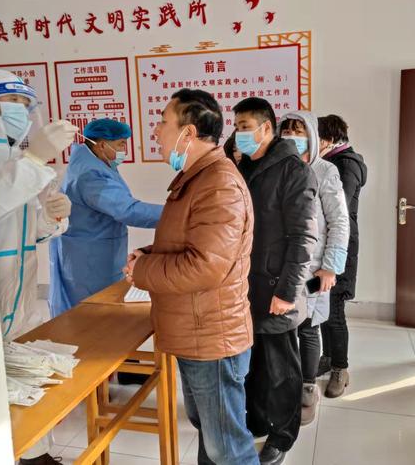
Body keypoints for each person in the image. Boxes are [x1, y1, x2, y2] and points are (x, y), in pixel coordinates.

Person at [123, 89, 258, 465]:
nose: (155, 131)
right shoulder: (197, 177)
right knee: (212, 436)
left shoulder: (218, 183)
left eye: (163, 121)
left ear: (189, 132)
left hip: (211, 336)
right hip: (197, 330)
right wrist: (148, 255)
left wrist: (143, 270)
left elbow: (205, 266)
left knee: (227, 447)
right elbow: (188, 242)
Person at [0, 68, 77, 465]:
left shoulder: (19, 158)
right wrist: (35, 159)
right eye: (11, 102)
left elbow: (25, 231)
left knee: (23, 380)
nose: (19, 110)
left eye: (25, 103)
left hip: (19, 291)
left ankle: (37, 454)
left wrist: (51, 218)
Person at [234, 97, 318, 465]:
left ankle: (282, 437)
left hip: (276, 288)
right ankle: (255, 423)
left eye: (245, 127)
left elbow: (304, 237)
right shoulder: (243, 165)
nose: (239, 134)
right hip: (245, 285)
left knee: (281, 371)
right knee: (252, 364)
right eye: (237, 127)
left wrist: (287, 292)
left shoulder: (293, 170)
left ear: (266, 128)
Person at [48, 118, 163, 318]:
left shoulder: (97, 162)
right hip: (89, 257)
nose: (124, 150)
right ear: (101, 145)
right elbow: (127, 210)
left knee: (103, 309)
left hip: (94, 248)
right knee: (94, 313)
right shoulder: (90, 174)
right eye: (121, 144)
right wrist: (176, 213)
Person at [278, 112, 349, 425]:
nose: (291, 137)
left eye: (298, 131)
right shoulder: (276, 168)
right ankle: (285, 382)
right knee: (283, 327)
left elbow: (339, 221)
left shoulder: (325, 170)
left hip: (315, 268)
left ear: (310, 135)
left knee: (308, 326)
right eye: (286, 131)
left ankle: (308, 385)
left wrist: (330, 267)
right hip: (282, 266)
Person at [316, 114, 368, 397]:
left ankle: (340, 368)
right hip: (325, 246)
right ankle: (328, 357)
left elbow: (337, 209)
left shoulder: (345, 165)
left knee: (334, 310)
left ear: (330, 139)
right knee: (323, 307)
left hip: (339, 247)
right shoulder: (332, 161)